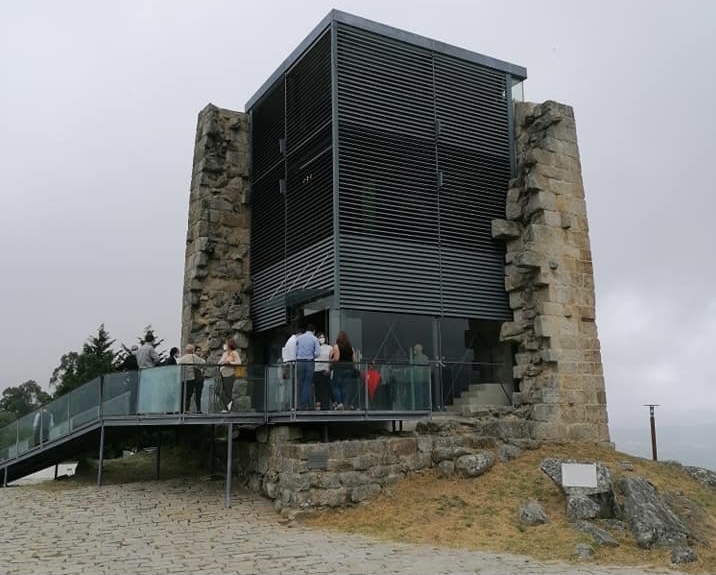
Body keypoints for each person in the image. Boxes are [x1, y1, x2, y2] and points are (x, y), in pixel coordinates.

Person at [295, 324, 320, 410]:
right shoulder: (315, 339)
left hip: (299, 362)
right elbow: (317, 353)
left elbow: (296, 350)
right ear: (313, 331)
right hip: (309, 362)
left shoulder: (299, 338)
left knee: (300, 383)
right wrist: (312, 355)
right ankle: (303, 404)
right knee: (307, 383)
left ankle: (302, 405)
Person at [177, 344, 206, 413]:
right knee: (196, 394)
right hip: (192, 378)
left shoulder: (182, 358)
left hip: (184, 378)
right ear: (192, 350)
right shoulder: (193, 356)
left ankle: (185, 409)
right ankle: (198, 409)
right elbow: (202, 363)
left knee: (186, 395)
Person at [330, 331, 355, 410]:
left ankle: (339, 403)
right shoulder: (350, 347)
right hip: (349, 369)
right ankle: (342, 403)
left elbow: (336, 358)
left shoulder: (337, 346)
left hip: (339, 368)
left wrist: (331, 360)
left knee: (336, 386)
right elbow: (354, 360)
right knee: (344, 387)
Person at [219, 339, 241, 411]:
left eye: (226, 344)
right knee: (219, 390)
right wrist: (222, 362)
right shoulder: (225, 353)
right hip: (222, 373)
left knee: (228, 392)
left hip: (230, 374)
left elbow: (238, 362)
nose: (225, 345)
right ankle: (228, 404)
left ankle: (229, 408)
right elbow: (220, 362)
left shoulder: (234, 352)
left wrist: (230, 363)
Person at [314, 332, 333, 410]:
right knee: (317, 388)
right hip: (316, 370)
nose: (322, 339)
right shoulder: (315, 347)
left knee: (328, 387)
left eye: (323, 337)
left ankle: (333, 403)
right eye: (320, 337)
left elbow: (332, 359)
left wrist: (329, 368)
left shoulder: (330, 347)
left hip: (325, 370)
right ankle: (318, 404)